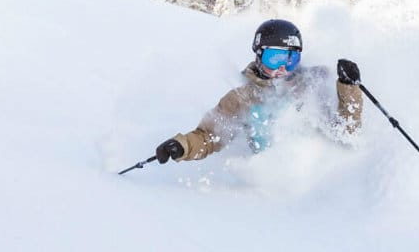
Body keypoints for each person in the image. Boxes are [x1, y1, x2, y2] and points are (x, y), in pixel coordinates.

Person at [153, 19, 363, 164]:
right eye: (275, 58)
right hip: (269, 183)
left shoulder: (311, 84)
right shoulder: (242, 97)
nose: (283, 67)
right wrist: (183, 146)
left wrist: (348, 86)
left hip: (319, 175)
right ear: (259, 55)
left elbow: (346, 132)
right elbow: (210, 136)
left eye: (291, 59)